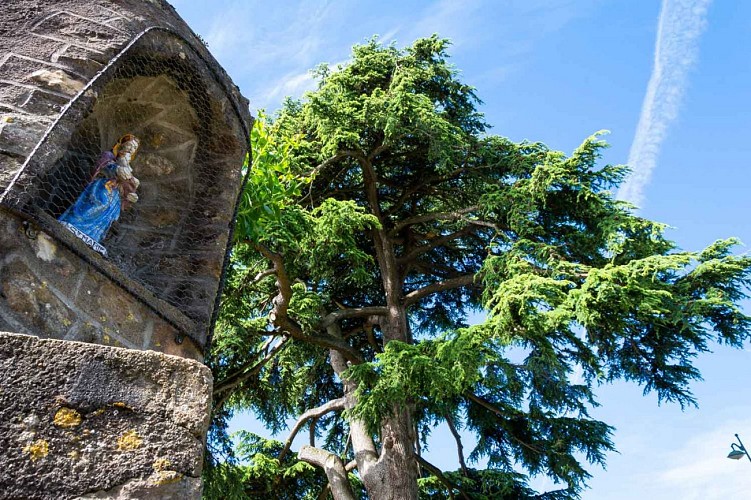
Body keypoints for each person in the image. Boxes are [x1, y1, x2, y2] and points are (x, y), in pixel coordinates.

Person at [58, 134, 141, 256]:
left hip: (115, 196)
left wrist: (129, 195)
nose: (130, 149)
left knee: (108, 215)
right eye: (129, 145)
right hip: (102, 188)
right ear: (121, 145)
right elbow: (100, 168)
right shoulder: (109, 156)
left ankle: (93, 236)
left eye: (134, 148)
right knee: (99, 204)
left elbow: (128, 184)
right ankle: (74, 223)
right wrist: (116, 169)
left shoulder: (128, 167)